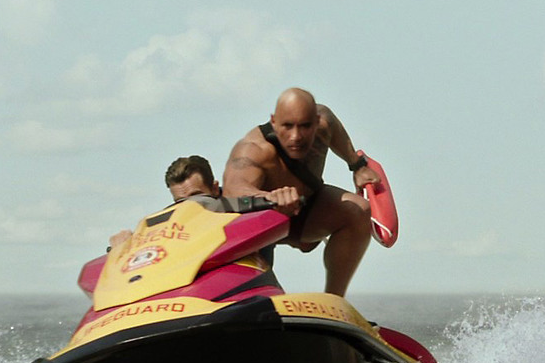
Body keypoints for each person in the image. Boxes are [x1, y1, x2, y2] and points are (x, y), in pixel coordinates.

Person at [221, 88, 380, 297]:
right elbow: (233, 191)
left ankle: (334, 302)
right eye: (287, 126)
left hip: (305, 211)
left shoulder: (325, 124)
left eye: (305, 126)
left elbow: (333, 124)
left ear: (316, 121)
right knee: (262, 297)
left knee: (358, 210)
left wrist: (357, 165)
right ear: (274, 121)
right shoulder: (254, 149)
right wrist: (269, 198)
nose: (296, 136)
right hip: (261, 224)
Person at [109, 155, 298, 250]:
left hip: (247, 288)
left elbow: (285, 217)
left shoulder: (243, 208)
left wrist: (284, 204)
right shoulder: (169, 228)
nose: (191, 206)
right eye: (180, 201)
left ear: (215, 188)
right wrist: (125, 247)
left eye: (198, 196)